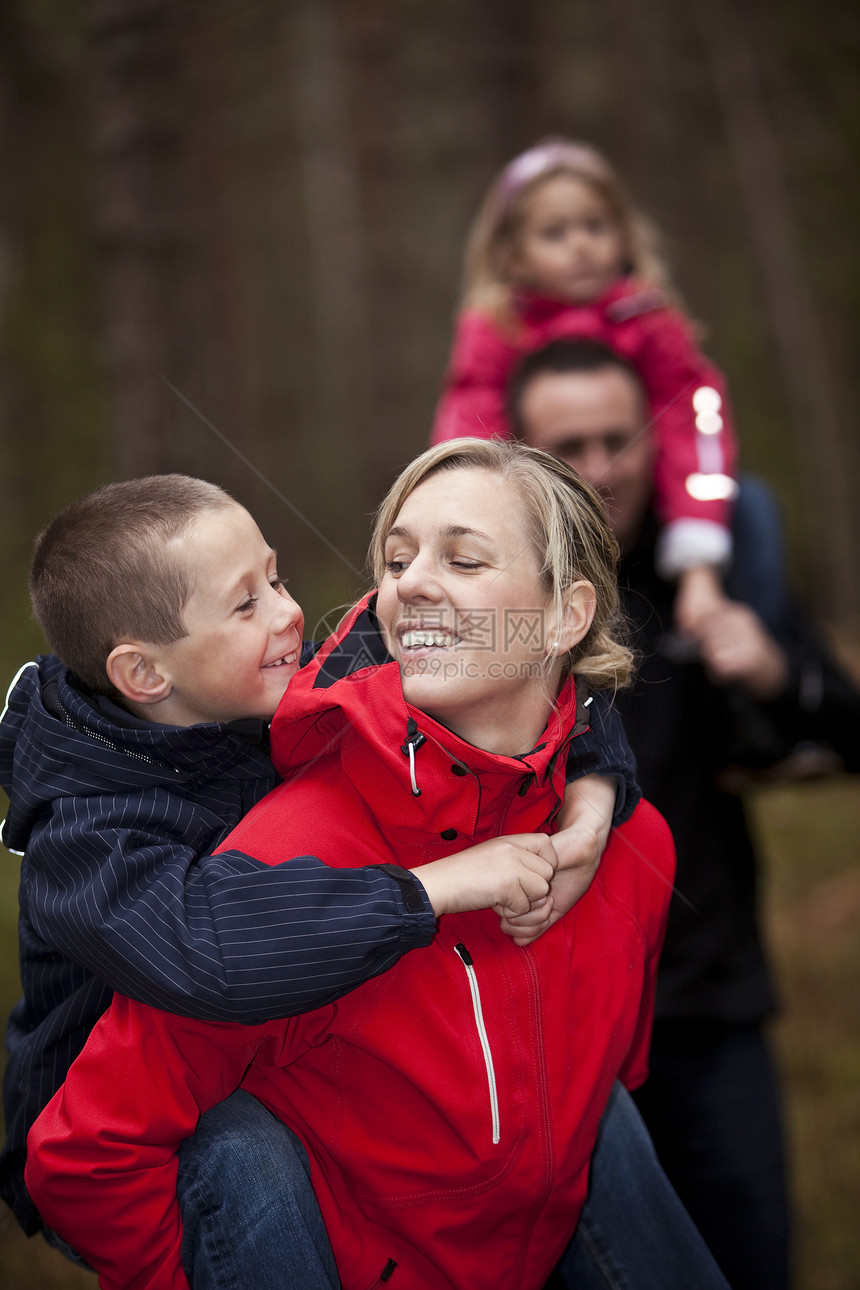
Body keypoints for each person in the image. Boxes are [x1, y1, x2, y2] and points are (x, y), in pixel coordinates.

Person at [24, 440, 706, 1290]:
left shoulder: (632, 849)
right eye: (395, 559)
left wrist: (599, 786)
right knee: (239, 1146)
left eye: (463, 557)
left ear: (565, 615)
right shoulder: (271, 880)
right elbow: (92, 1148)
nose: (409, 583)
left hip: (534, 1252)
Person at [509, 336, 860, 1290]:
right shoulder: (487, 600)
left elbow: (845, 725)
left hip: (707, 1006)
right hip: (542, 1035)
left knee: (748, 1261)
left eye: (620, 439)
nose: (601, 467)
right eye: (568, 445)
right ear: (522, 453)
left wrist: (778, 668)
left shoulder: (709, 574)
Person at [431, 137, 742, 636]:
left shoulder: (650, 320)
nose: (580, 245)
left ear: (623, 235)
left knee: (754, 511)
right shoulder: (496, 330)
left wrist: (698, 540)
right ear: (512, 255)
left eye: (595, 226)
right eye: (555, 233)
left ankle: (733, 625)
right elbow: (470, 429)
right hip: (545, 510)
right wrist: (471, 514)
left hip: (654, 509)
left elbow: (694, 423)